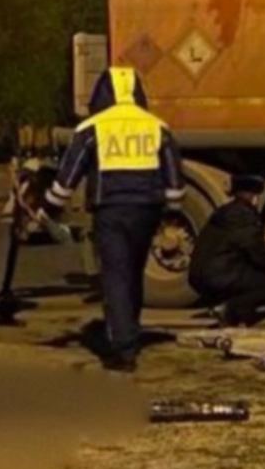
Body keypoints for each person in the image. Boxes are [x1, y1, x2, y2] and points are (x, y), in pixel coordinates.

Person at [43, 66, 184, 372]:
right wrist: (172, 209)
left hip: (110, 209)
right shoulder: (157, 126)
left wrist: (51, 205)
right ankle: (130, 327)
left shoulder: (92, 127)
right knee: (133, 273)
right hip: (146, 210)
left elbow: (70, 174)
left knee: (115, 276)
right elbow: (174, 173)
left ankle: (123, 349)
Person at [189, 173, 265, 327]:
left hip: (199, 277)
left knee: (255, 279)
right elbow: (263, 259)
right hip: (222, 277)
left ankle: (225, 306)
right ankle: (231, 308)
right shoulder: (245, 217)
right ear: (254, 197)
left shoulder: (223, 212)